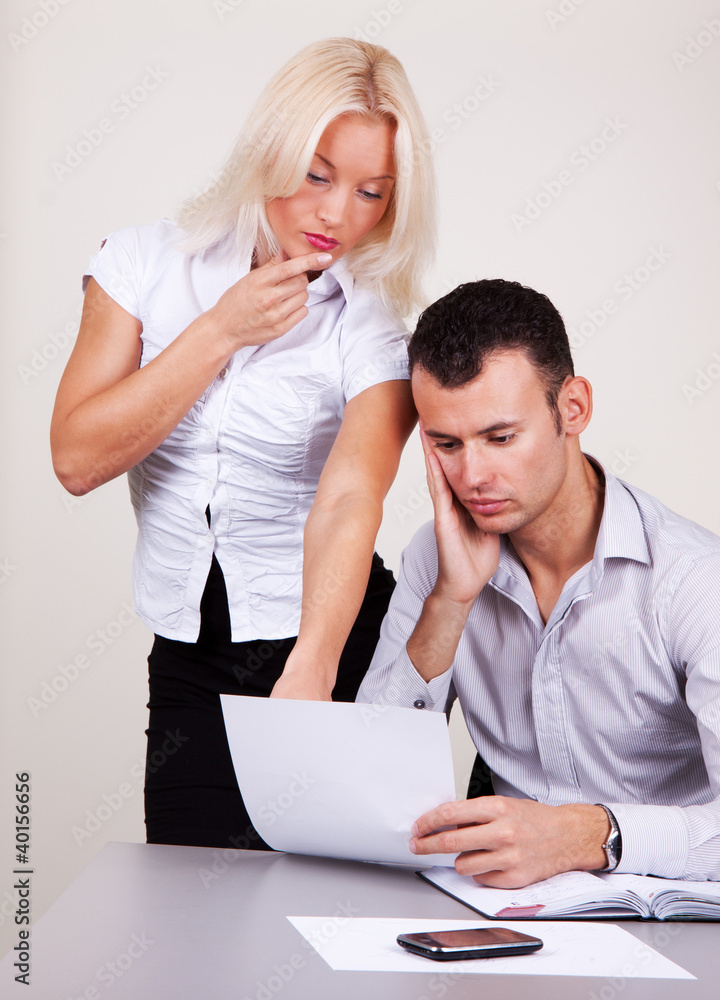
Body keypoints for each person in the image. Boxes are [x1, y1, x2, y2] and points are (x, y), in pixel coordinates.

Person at [50, 38, 436, 850]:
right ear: (271, 151)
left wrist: (315, 669)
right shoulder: (141, 265)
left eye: (371, 192)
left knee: (328, 906)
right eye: (318, 175)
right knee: (188, 902)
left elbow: (350, 497)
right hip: (190, 651)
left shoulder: (371, 327)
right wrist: (221, 330)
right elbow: (77, 458)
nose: (337, 214)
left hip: (331, 643)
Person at [357, 278, 720, 888]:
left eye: (500, 437)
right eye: (446, 444)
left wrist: (588, 836)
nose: (472, 475)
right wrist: (449, 602)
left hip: (667, 912)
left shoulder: (700, 582)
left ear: (573, 408)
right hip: (504, 912)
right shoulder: (436, 558)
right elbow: (368, 783)